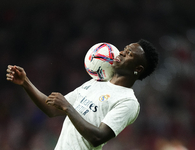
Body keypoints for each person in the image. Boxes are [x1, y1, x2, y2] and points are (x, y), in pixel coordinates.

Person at [6, 39, 158, 150]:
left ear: (138, 69)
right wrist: (25, 82)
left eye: (129, 54)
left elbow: (98, 137)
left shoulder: (128, 101)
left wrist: (68, 107)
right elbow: (51, 109)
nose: (122, 53)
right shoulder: (96, 82)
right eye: (125, 49)